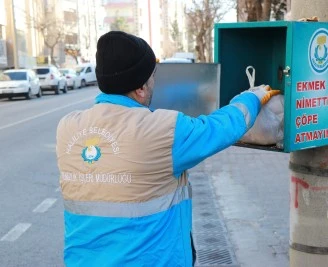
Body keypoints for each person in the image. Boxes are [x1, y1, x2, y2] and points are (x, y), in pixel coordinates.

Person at [56, 31, 280, 267]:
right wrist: (251, 97)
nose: (155, 82)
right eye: (153, 76)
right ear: (141, 88)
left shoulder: (67, 127)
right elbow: (220, 128)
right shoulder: (162, 131)